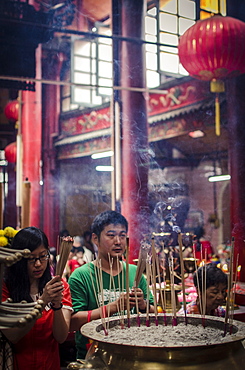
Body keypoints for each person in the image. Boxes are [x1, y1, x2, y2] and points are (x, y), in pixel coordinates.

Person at [69, 210, 155, 360]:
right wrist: (113, 307)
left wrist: (142, 304)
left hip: (132, 354)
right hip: (94, 356)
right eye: (111, 235)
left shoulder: (135, 273)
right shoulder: (81, 276)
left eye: (122, 235)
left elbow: (155, 313)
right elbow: (72, 323)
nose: (118, 241)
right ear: (95, 238)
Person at [1, 226, 73, 370]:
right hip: (17, 364)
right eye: (31, 259)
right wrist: (42, 302)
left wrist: (57, 305)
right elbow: (13, 336)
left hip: (50, 364)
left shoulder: (60, 286)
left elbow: (60, 337)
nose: (38, 264)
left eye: (43, 256)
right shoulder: (6, 288)